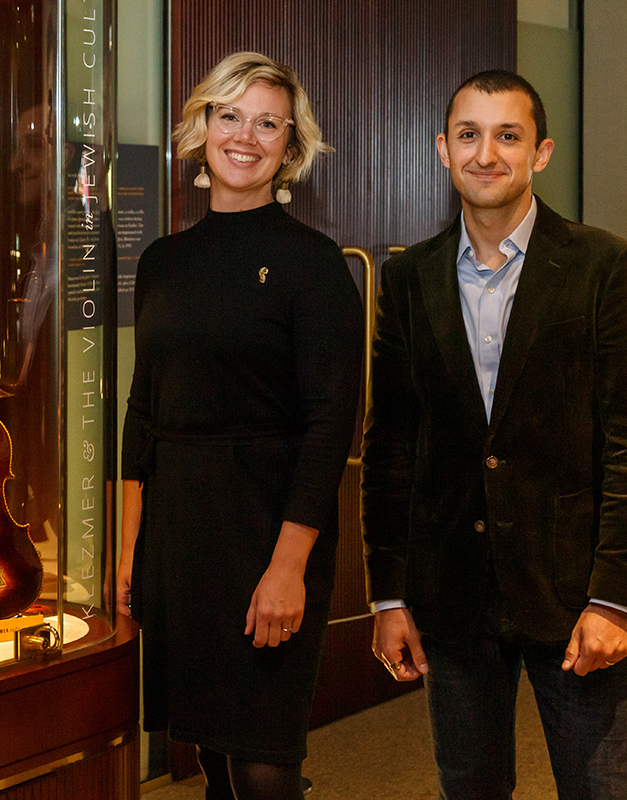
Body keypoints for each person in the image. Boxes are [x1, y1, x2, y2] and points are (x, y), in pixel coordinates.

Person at [360, 70, 627, 799]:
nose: (486, 153)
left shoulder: (606, 266)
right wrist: (388, 596)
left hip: (575, 602)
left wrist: (615, 598)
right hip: (453, 596)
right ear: (443, 149)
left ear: (541, 152)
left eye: (508, 135)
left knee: (599, 789)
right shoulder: (409, 280)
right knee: (469, 788)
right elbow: (391, 444)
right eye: (469, 134)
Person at [118, 52, 363, 799]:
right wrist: (129, 552)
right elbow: (142, 410)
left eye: (267, 123)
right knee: (213, 753)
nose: (245, 136)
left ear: (290, 148)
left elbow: (331, 427)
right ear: (202, 127)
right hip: (181, 534)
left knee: (264, 761)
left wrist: (287, 569)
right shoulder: (162, 261)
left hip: (269, 530)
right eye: (230, 115)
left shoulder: (314, 264)